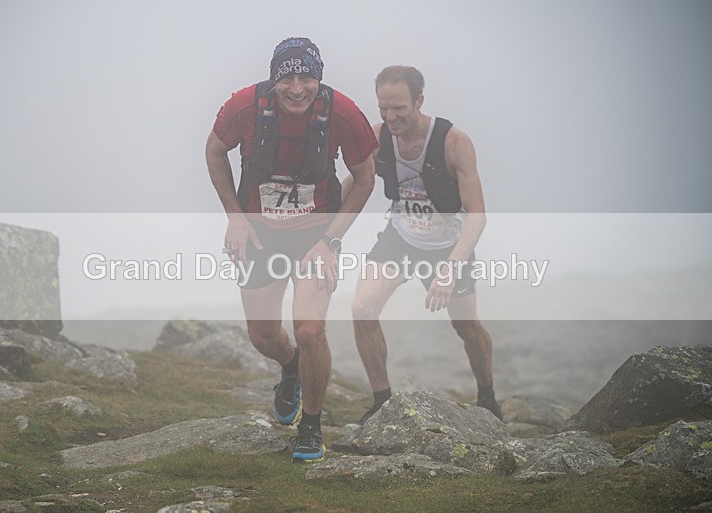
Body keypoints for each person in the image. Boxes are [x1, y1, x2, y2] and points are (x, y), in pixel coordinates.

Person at [205, 37, 377, 462]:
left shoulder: (345, 114)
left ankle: (311, 429)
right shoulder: (244, 106)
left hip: (316, 232)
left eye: (307, 77)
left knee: (310, 329)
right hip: (260, 231)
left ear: (319, 78)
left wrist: (330, 241)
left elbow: (366, 178)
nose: (297, 88)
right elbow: (213, 149)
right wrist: (235, 216)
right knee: (263, 335)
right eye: (288, 78)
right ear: (274, 79)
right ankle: (290, 368)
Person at [344, 65, 501, 423]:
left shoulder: (453, 142)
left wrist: (450, 268)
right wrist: (319, 219)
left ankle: (488, 395)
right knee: (361, 308)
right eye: (384, 107)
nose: (390, 115)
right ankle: (382, 400)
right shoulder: (377, 136)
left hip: (448, 245)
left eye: (399, 107)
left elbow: (477, 214)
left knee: (466, 327)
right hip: (400, 238)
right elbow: (354, 183)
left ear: (419, 100)